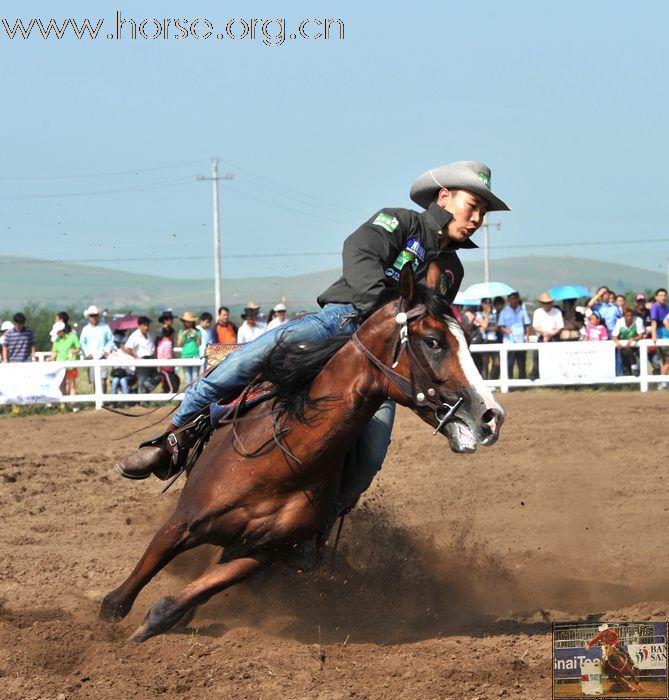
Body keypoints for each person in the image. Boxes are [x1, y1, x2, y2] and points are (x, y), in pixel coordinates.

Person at [115, 160, 511, 484]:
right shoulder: (399, 222)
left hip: (386, 363)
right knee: (252, 357)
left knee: (370, 456)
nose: (476, 218)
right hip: (340, 321)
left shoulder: (451, 272)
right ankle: (172, 438)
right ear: (444, 196)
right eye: (472, 205)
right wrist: (384, 312)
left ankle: (325, 518)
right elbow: (359, 253)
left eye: (482, 213)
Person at [79, 305, 114, 391]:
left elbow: (111, 340)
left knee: (103, 380)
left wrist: (106, 350)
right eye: (92, 315)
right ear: (88, 317)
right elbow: (82, 342)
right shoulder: (86, 329)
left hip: (102, 356)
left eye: (95, 315)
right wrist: (87, 353)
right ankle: (97, 400)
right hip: (91, 357)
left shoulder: (105, 327)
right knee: (95, 380)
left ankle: (103, 400)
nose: (94, 317)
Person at [498, 293, 530, 379]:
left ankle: (522, 382)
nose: (514, 300)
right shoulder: (504, 312)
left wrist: (527, 336)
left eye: (515, 299)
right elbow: (501, 326)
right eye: (512, 299)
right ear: (508, 300)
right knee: (509, 363)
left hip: (520, 341)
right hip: (509, 341)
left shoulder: (523, 311)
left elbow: (527, 325)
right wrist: (506, 330)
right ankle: (510, 382)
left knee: (521, 363)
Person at [124, 316, 158, 395]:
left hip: (150, 360)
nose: (146, 327)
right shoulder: (135, 335)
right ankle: (142, 401)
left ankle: (142, 394)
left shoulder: (148, 335)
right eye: (144, 325)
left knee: (157, 377)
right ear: (139, 325)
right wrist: (135, 356)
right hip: (141, 361)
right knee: (142, 380)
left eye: (147, 325)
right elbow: (127, 348)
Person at [49, 320, 81, 398]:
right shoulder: (57, 340)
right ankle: (65, 404)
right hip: (60, 366)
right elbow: (55, 352)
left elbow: (78, 349)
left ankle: (73, 404)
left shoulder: (72, 337)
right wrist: (50, 359)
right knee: (62, 385)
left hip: (70, 365)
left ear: (61, 331)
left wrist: (73, 351)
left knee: (72, 385)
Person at [612, 307, 644, 376]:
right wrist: (617, 342)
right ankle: (633, 368)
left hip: (635, 345)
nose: (629, 317)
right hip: (624, 347)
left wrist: (632, 339)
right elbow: (613, 336)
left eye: (631, 315)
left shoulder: (638, 320)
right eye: (627, 316)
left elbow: (641, 335)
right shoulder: (620, 321)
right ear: (624, 316)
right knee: (626, 361)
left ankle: (634, 368)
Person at [474, 298, 499, 380]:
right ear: (482, 304)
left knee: (497, 363)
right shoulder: (478, 314)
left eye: (489, 303)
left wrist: (488, 328)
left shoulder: (494, 315)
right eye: (485, 303)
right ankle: (485, 382)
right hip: (484, 340)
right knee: (485, 363)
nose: (487, 304)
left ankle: (493, 381)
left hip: (493, 340)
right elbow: (484, 325)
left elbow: (496, 327)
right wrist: (487, 315)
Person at [177, 311, 202, 385]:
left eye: (190, 321)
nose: (188, 323)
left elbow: (199, 344)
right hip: (185, 355)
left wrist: (197, 335)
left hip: (195, 355)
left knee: (195, 378)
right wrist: (183, 335)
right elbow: (179, 344)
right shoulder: (181, 331)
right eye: (187, 321)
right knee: (188, 378)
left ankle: (194, 395)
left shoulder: (197, 331)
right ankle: (188, 395)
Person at [650, 288, 669, 382]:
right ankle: (662, 382)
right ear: (656, 297)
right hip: (662, 336)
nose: (663, 297)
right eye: (661, 295)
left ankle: (662, 381)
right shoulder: (655, 307)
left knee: (665, 361)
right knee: (667, 360)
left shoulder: (667, 307)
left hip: (667, 334)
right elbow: (654, 322)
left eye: (664, 295)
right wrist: (654, 335)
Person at [156, 326, 180, 393]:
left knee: (167, 384)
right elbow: (168, 356)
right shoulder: (168, 343)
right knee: (172, 386)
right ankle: (169, 399)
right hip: (167, 368)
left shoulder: (161, 342)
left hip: (163, 366)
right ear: (171, 334)